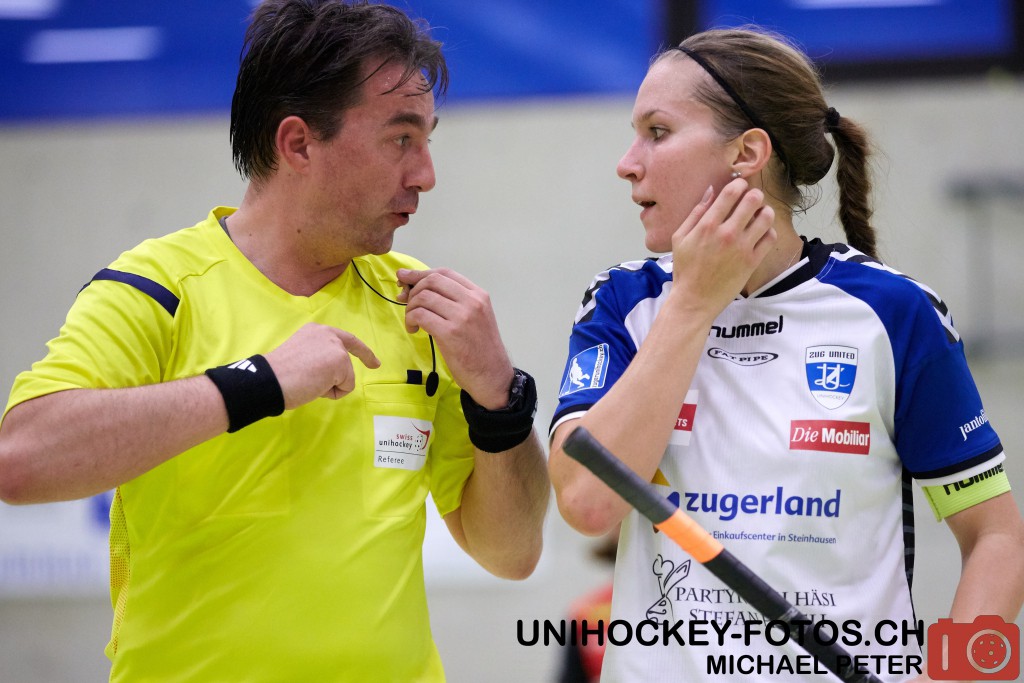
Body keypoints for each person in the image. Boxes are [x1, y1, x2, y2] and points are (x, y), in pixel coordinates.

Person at [0, 1, 549, 681]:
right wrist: (255, 383)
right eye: (401, 139)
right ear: (298, 144)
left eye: (428, 140)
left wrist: (501, 398)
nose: (425, 174)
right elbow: (21, 460)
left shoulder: (421, 305)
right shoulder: (160, 289)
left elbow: (512, 552)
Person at [548, 26, 1024, 682]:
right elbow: (588, 503)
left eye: (657, 132)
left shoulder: (893, 313)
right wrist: (692, 305)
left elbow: (998, 538)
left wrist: (957, 678)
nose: (628, 163)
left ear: (747, 153)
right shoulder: (623, 304)